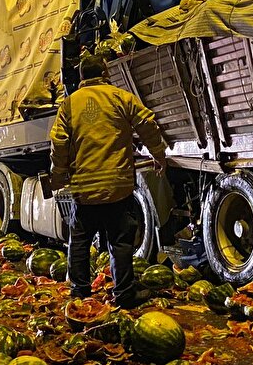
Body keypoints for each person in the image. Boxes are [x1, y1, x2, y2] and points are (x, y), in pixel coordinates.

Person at [50, 55, 167, 309]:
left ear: (81, 77)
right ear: (105, 73)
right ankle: (124, 293)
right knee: (121, 242)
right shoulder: (120, 97)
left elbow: (59, 143)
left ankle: (79, 292)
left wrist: (58, 174)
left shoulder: (69, 105)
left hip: (85, 188)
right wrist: (158, 154)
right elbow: (147, 123)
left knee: (79, 240)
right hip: (117, 185)